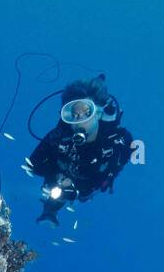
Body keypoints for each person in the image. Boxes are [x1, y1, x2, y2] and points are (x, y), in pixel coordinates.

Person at [27, 77, 133, 223]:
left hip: (88, 183)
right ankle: (49, 211)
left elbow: (104, 179)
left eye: (86, 113)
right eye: (74, 115)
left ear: (98, 113)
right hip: (62, 178)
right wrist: (56, 178)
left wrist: (76, 191)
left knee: (82, 196)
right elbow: (33, 164)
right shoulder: (59, 135)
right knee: (57, 193)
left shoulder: (114, 141)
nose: (79, 120)